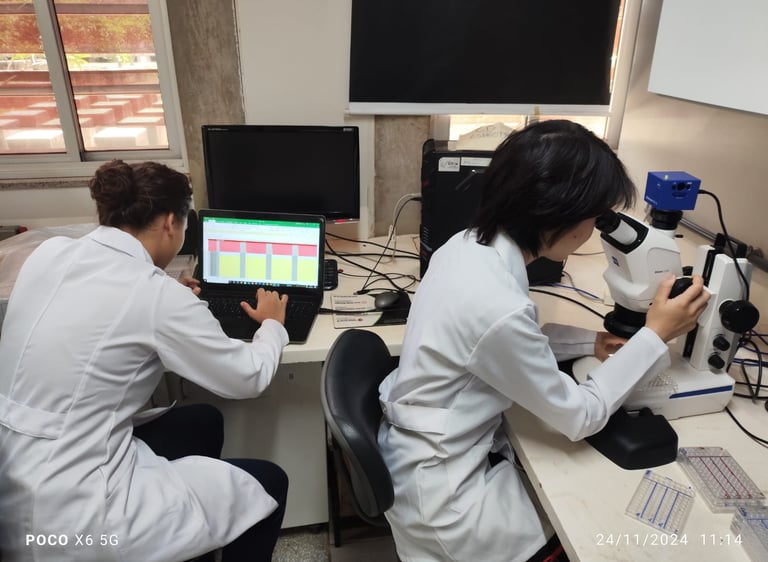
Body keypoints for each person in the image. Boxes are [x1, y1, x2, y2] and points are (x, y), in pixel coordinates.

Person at [377, 120, 711, 562]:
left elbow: (504, 342)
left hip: (426, 446)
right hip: (448, 499)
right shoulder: (495, 303)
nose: (593, 229)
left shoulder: (465, 246)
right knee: (596, 525)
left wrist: (591, 342)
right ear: (559, 215)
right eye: (595, 216)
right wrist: (655, 334)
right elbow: (580, 415)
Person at [0, 160, 290, 562]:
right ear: (171, 222)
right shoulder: (153, 294)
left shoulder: (51, 253)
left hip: (16, 485)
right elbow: (249, 377)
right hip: (78, 521)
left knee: (203, 420)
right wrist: (273, 325)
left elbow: (104, 304)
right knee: (269, 484)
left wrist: (167, 296)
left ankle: (193, 546)